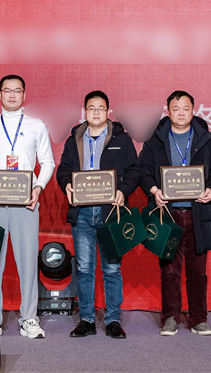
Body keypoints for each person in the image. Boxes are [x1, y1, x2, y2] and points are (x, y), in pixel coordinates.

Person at [0, 74, 55, 338]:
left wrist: (38, 187)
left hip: (25, 204)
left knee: (28, 262)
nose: (12, 95)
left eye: (17, 90)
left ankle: (29, 318)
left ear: (24, 95)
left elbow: (47, 162)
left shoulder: (37, 125)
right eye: (7, 90)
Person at [55, 91, 140, 339]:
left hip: (110, 212)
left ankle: (113, 319)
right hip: (82, 212)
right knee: (84, 268)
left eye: (100, 108)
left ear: (108, 112)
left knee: (112, 268)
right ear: (84, 112)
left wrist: (123, 191)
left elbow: (134, 170)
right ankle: (87, 319)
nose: (95, 112)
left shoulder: (122, 139)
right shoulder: (74, 139)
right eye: (91, 108)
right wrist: (67, 184)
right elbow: (63, 170)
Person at [140, 90, 211, 336]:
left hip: (197, 213)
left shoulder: (206, 138)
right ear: (167, 111)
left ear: (193, 110)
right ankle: (170, 318)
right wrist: (155, 190)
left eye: (186, 109)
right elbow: (144, 171)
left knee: (198, 272)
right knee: (169, 270)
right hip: (168, 214)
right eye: (176, 109)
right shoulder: (155, 139)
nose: (181, 113)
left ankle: (199, 319)